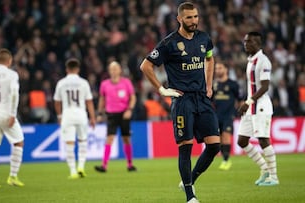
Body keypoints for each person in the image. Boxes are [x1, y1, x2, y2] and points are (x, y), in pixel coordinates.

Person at [140, 2, 220, 203]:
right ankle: (190, 196)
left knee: (214, 146)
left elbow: (210, 59)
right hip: (182, 100)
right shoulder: (169, 43)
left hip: (202, 98)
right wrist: (161, 89)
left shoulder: (204, 39)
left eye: (196, 17)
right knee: (186, 147)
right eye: (189, 18)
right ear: (179, 19)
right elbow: (146, 66)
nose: (194, 21)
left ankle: (190, 179)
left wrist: (209, 85)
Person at [237, 31, 279, 186]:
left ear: (258, 44)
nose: (246, 44)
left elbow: (265, 87)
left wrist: (248, 101)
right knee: (242, 140)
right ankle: (264, 169)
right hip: (251, 106)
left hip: (260, 106)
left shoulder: (263, 61)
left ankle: (274, 177)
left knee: (263, 140)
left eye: (250, 42)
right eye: (245, 41)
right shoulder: (251, 60)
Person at [0, 48, 25, 189]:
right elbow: (14, 94)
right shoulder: (12, 74)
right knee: (19, 142)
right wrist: (13, 113)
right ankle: (12, 176)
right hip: (6, 113)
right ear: (10, 61)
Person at [53, 58, 96, 179]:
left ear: (67, 69)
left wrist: (59, 115)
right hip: (81, 114)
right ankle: (81, 166)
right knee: (82, 141)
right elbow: (89, 102)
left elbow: (57, 102)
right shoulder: (84, 82)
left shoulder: (61, 83)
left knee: (69, 144)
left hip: (67, 115)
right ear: (78, 69)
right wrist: (92, 117)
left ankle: (72, 171)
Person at [94, 61, 137, 173]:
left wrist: (129, 110)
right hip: (111, 114)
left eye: (115, 68)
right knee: (109, 138)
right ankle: (104, 165)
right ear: (109, 71)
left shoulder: (126, 82)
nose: (113, 71)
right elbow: (102, 99)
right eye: (111, 69)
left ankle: (130, 164)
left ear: (120, 70)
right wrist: (99, 113)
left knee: (126, 139)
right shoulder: (104, 84)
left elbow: (133, 97)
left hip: (124, 114)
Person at [213, 61, 240, 170]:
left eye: (220, 68)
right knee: (218, 139)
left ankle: (226, 160)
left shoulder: (233, 84)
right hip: (216, 115)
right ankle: (225, 158)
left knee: (226, 136)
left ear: (226, 69)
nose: (217, 70)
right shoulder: (214, 84)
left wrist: (237, 112)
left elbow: (240, 99)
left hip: (228, 115)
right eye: (216, 68)